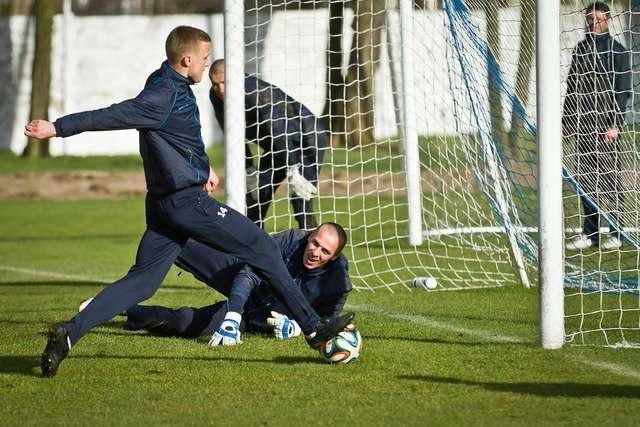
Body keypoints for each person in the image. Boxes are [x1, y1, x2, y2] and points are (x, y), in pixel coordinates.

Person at [24, 26, 353, 378]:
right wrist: (58, 127)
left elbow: (174, 137)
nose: (207, 65)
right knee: (262, 247)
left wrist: (202, 166)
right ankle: (314, 329)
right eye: (205, 58)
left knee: (143, 283)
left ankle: (69, 333)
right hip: (187, 204)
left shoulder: (167, 83)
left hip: (165, 207)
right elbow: (113, 114)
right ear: (187, 59)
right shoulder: (162, 96)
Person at [107, 223, 351, 344]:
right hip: (243, 284)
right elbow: (249, 273)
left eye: (325, 251)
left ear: (335, 257)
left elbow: (326, 321)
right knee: (177, 238)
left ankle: (130, 312)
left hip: (255, 319)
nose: (315, 252)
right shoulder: (290, 240)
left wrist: (297, 328)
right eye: (314, 243)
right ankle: (113, 299)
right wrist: (232, 314)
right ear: (309, 236)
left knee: (181, 322)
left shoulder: (337, 282)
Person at [209, 58, 328, 230]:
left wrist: (293, 168)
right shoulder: (216, 96)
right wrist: (248, 169)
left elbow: (281, 130)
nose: (220, 89)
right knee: (256, 195)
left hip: (306, 138)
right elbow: (232, 135)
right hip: (277, 144)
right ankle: (254, 245)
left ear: (236, 77)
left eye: (224, 82)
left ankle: (309, 243)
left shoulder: (255, 92)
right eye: (215, 84)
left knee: (300, 197)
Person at [563, 2, 631, 251]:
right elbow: (572, 91)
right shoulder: (580, 50)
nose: (593, 23)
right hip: (583, 128)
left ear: (608, 20)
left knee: (610, 182)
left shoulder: (618, 52)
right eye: (589, 19)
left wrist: (615, 124)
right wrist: (566, 127)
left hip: (606, 130)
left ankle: (616, 233)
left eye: (598, 19)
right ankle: (590, 235)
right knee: (586, 183)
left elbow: (623, 92)